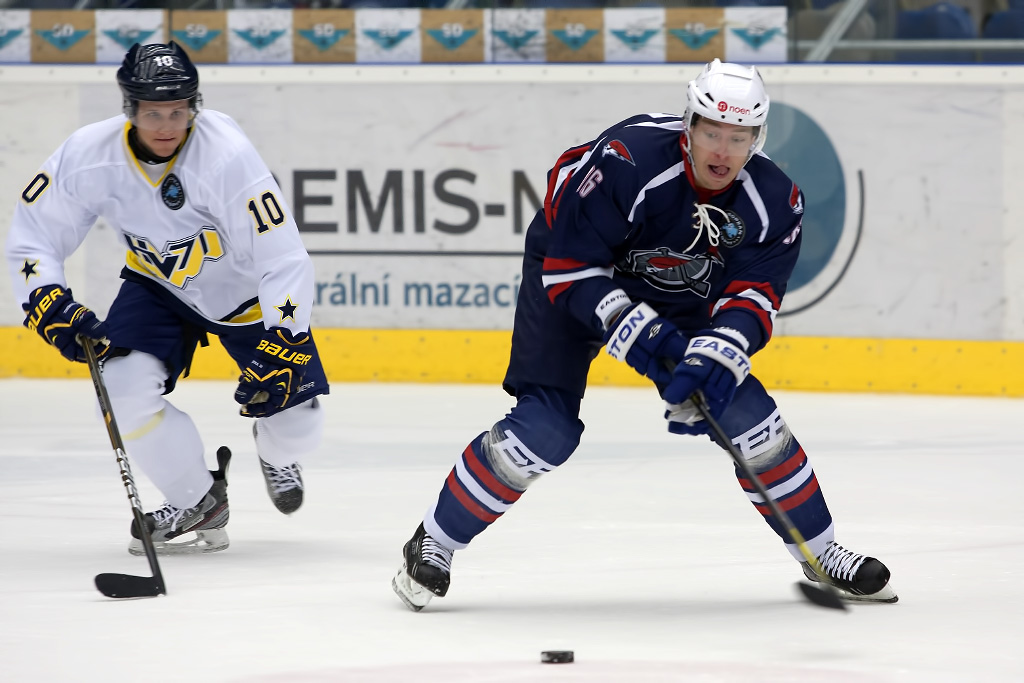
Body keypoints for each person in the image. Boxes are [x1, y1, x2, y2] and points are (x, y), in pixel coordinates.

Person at [391, 59, 897, 610]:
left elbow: (753, 298)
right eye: (711, 133)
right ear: (689, 125)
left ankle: (821, 553)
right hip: (574, 272)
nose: (723, 151)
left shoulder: (775, 200)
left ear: (758, 137)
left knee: (752, 421)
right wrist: (648, 341)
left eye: (739, 137)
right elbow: (570, 268)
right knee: (543, 432)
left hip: (678, 291)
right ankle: (433, 543)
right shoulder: (629, 160)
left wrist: (714, 355)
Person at [5, 42, 329, 555]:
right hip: (157, 286)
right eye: (153, 113)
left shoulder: (226, 157)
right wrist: (45, 297)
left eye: (177, 112)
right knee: (121, 389)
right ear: (130, 108)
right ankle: (198, 500)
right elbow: (33, 236)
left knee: (300, 419)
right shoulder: (89, 154)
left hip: (246, 298)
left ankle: (277, 449)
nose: (165, 126)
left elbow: (283, 256)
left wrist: (285, 340)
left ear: (193, 107)